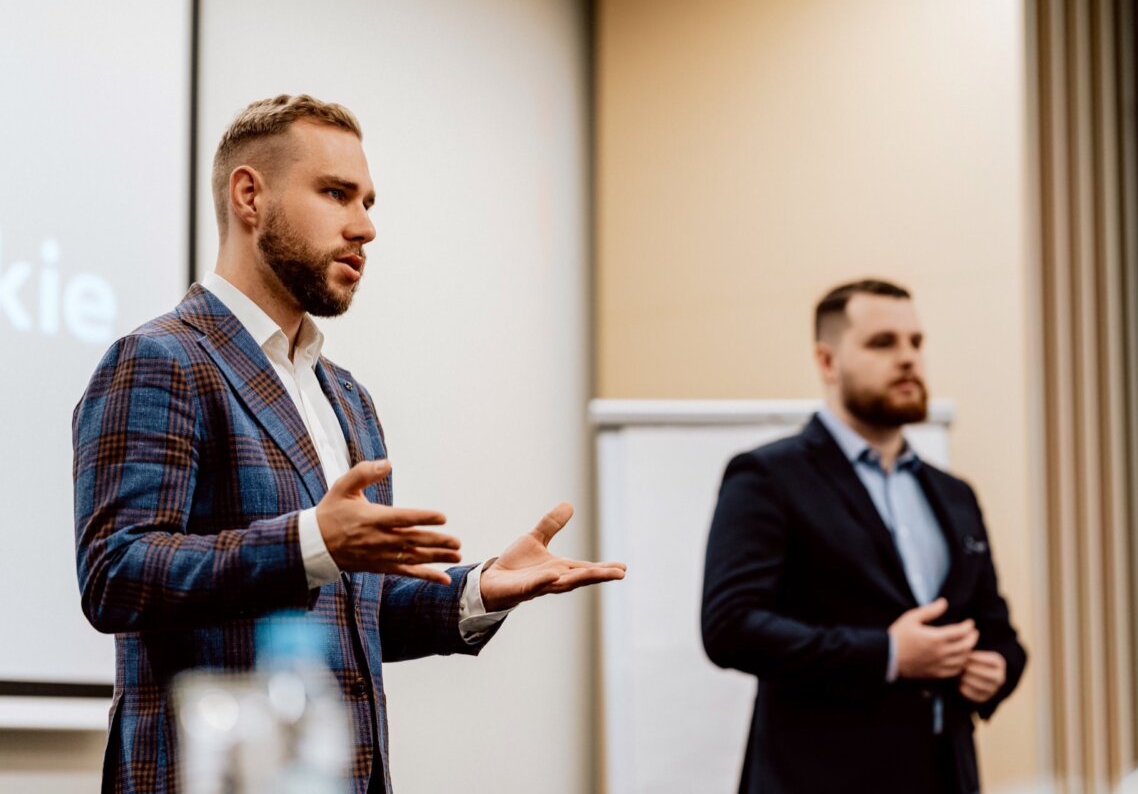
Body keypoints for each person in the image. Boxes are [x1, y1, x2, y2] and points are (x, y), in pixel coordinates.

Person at [72, 94, 625, 794]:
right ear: (249, 195)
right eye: (337, 194)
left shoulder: (348, 398)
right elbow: (116, 573)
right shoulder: (160, 359)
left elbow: (351, 616)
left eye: (368, 201)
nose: (364, 226)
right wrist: (312, 540)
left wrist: (476, 590)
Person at [700, 279, 1025, 793]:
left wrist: (997, 668)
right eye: (883, 343)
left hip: (944, 776)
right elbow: (731, 627)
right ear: (827, 362)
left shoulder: (954, 494)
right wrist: (889, 653)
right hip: (821, 779)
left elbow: (997, 629)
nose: (908, 359)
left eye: (916, 343)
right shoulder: (768, 477)